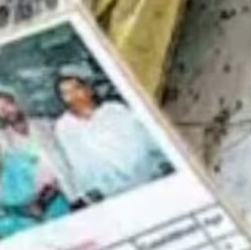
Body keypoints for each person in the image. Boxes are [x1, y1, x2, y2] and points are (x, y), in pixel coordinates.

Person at [52, 69, 173, 201]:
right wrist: (91, 189)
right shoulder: (64, 126)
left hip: (147, 174)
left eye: (76, 88)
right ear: (62, 99)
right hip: (110, 189)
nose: (74, 95)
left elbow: (144, 136)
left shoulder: (115, 109)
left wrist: (162, 162)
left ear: (89, 90)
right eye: (66, 93)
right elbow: (76, 160)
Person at [0, 135, 70, 240]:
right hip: (16, 232)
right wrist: (19, 211)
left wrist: (40, 205)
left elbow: (51, 185)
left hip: (51, 217)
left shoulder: (21, 160)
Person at [0, 90, 77, 200]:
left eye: (7, 104)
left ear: (16, 104)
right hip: (50, 199)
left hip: (76, 184)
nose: (6, 111)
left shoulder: (47, 125)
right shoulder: (4, 144)